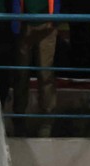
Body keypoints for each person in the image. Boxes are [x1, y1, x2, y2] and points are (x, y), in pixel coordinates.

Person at [11, 0, 60, 138]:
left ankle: (47, 120)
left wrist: (55, 16)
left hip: (48, 24)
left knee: (46, 73)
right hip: (23, 23)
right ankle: (19, 119)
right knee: (21, 74)